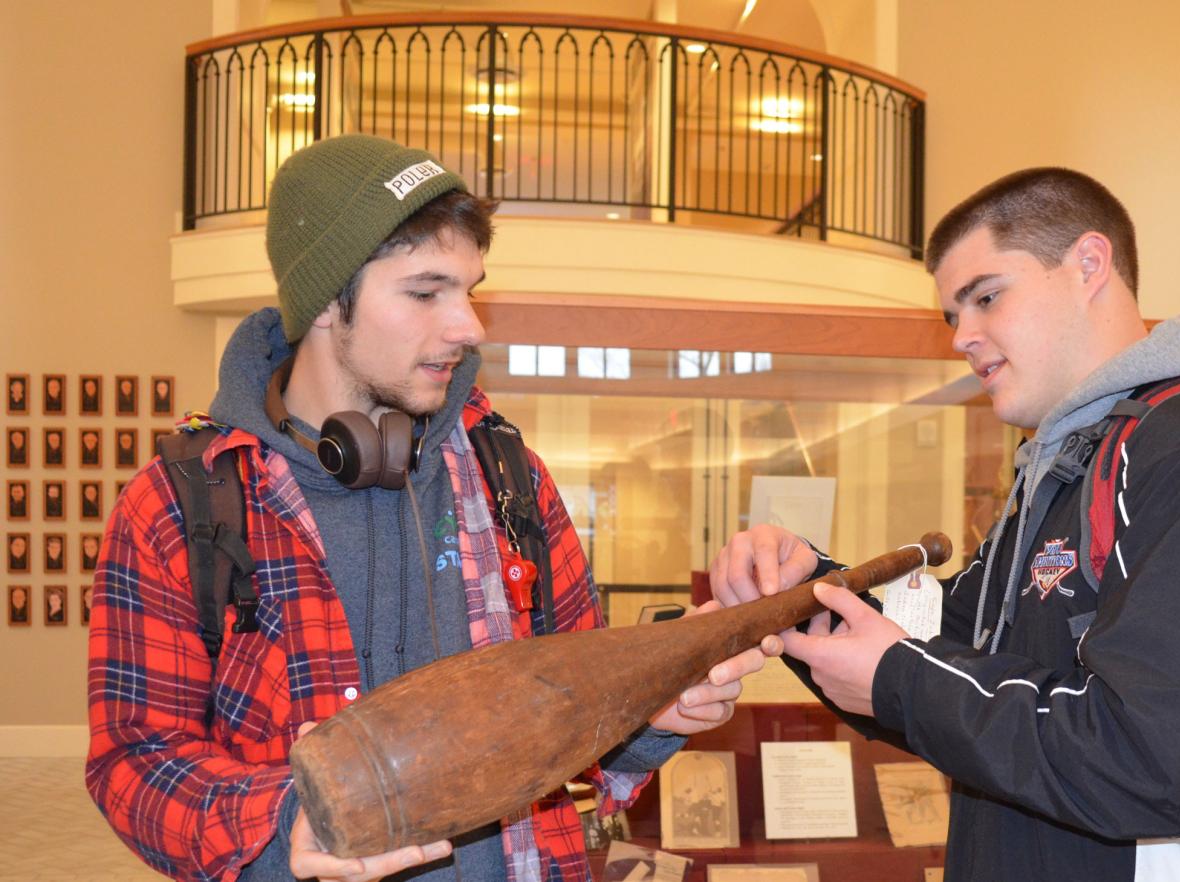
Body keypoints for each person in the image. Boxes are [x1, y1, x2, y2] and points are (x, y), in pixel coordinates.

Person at [87, 133, 770, 882]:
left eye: (469, 289)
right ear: (325, 301)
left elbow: (571, 706)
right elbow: (134, 759)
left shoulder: (511, 477)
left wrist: (649, 717)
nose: (468, 327)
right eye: (424, 292)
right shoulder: (179, 504)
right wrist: (291, 821)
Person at [709, 168, 1180, 881]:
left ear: (1088, 265)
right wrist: (805, 588)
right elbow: (945, 651)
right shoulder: (1072, 465)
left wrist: (903, 679)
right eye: (953, 314)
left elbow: (1172, 765)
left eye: (986, 297)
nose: (962, 337)